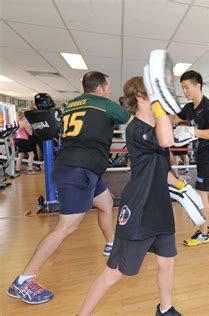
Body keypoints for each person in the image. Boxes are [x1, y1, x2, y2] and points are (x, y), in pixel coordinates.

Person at [7, 71, 131, 305]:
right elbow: (127, 117)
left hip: (80, 167)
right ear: (101, 88)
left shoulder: (72, 104)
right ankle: (23, 281)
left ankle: (111, 243)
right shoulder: (104, 104)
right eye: (109, 86)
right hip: (79, 169)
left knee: (105, 203)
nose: (109, 90)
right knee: (67, 226)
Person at [79, 76, 182, 316]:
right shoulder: (137, 129)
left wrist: (182, 186)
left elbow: (161, 167)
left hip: (159, 208)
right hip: (139, 209)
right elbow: (167, 141)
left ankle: (165, 309)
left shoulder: (152, 128)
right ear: (141, 97)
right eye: (154, 94)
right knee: (115, 271)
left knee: (167, 262)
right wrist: (159, 106)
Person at [170, 70, 209, 246]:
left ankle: (203, 233)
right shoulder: (189, 108)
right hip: (202, 155)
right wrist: (157, 115)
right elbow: (173, 119)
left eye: (187, 87)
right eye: (183, 88)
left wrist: (192, 131)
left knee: (201, 193)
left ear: (198, 86)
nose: (185, 91)